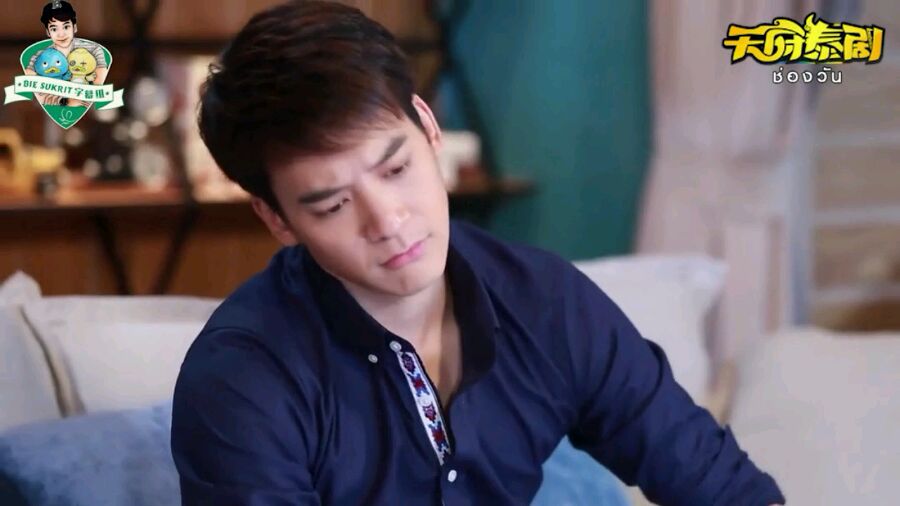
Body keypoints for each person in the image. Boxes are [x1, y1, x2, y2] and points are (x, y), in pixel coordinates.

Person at [170, 1, 785, 505]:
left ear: (428, 126)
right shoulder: (243, 379)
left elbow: (719, 485)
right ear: (277, 219)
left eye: (397, 168)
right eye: (333, 206)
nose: (388, 221)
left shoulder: (544, 301)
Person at [23, 1, 108, 106]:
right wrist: (66, 102)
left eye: (66, 27)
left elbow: (98, 87)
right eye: (54, 29)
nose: (61, 34)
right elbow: (36, 89)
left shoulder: (94, 50)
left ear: (74, 27)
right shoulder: (39, 56)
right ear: (48, 32)